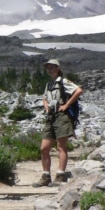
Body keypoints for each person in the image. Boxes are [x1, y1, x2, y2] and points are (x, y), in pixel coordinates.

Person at [33, 59, 84, 187]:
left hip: (62, 116)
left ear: (57, 68)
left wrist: (66, 105)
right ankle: (46, 176)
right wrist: (46, 106)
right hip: (51, 116)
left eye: (52, 67)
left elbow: (78, 90)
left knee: (61, 147)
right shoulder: (49, 84)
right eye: (48, 68)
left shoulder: (64, 82)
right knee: (44, 148)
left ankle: (60, 175)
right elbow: (44, 97)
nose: (49, 70)